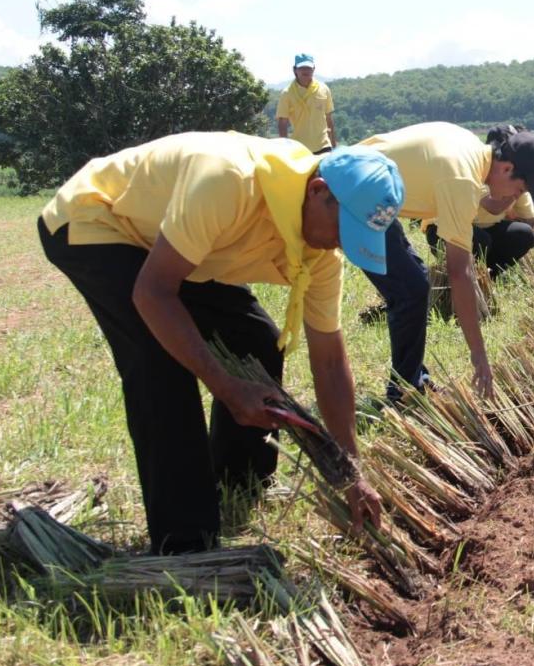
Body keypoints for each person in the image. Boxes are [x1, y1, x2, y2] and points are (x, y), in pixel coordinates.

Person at [39, 133, 397, 553]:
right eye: (343, 230)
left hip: (176, 243)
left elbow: (331, 366)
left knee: (257, 340)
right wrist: (226, 387)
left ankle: (238, 483)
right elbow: (153, 292)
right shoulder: (230, 182)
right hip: (99, 222)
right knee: (161, 364)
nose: (340, 244)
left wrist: (350, 473)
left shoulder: (321, 255)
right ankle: (185, 543)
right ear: (318, 192)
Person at [359, 122, 534, 401]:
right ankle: (403, 392)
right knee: (410, 292)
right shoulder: (463, 178)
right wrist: (479, 356)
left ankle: (411, 380)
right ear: (506, 168)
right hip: (350, 194)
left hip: (371, 194)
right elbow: (459, 273)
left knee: (416, 285)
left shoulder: (470, 149)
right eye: (519, 189)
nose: (516, 198)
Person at [423, 126, 534, 279]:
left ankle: (487, 278)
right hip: (443, 230)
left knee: (523, 234)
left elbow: (532, 221)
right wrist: (516, 193)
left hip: (482, 231)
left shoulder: (514, 180)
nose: (520, 192)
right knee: (480, 240)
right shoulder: (480, 170)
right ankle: (463, 280)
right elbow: (493, 207)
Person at [277, 54, 337, 153]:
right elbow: (282, 123)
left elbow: (329, 119)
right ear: (295, 70)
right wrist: (284, 149)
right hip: (299, 148)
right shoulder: (287, 93)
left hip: (324, 146)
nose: (306, 71)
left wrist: (334, 145)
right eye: (302, 68)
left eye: (308, 68)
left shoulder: (324, 89)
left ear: (313, 69)